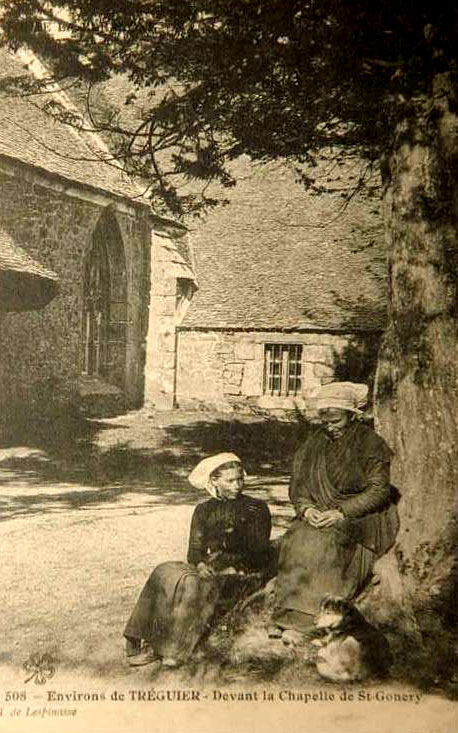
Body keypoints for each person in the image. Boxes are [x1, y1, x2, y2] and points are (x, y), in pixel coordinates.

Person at [270, 382, 399, 642]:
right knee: (297, 536)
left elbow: (379, 491)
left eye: (337, 420)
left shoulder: (369, 442)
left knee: (326, 542)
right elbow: (299, 485)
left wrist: (342, 512)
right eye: (325, 420)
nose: (330, 426)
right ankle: (284, 615)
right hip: (320, 512)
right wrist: (306, 509)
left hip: (362, 516)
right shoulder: (314, 443)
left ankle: (311, 622)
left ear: (352, 415)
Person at [124, 452, 274, 668]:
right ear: (214, 481)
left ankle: (173, 651)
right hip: (210, 565)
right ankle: (135, 640)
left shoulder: (256, 508)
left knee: (192, 583)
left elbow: (258, 550)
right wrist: (201, 564)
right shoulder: (203, 510)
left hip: (243, 569)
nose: (237, 485)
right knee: (164, 572)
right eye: (230, 480)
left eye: (240, 479)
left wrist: (232, 567)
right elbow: (194, 550)